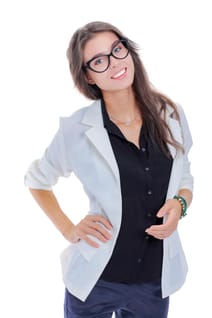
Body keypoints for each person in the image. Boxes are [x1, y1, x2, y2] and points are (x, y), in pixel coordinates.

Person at [24, 21, 193, 318]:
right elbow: (37, 180)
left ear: (128, 50)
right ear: (88, 75)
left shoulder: (172, 115)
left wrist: (180, 204)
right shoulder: (77, 130)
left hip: (154, 282)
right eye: (100, 60)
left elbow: (185, 174)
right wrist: (68, 228)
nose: (115, 62)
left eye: (117, 49)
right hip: (96, 282)